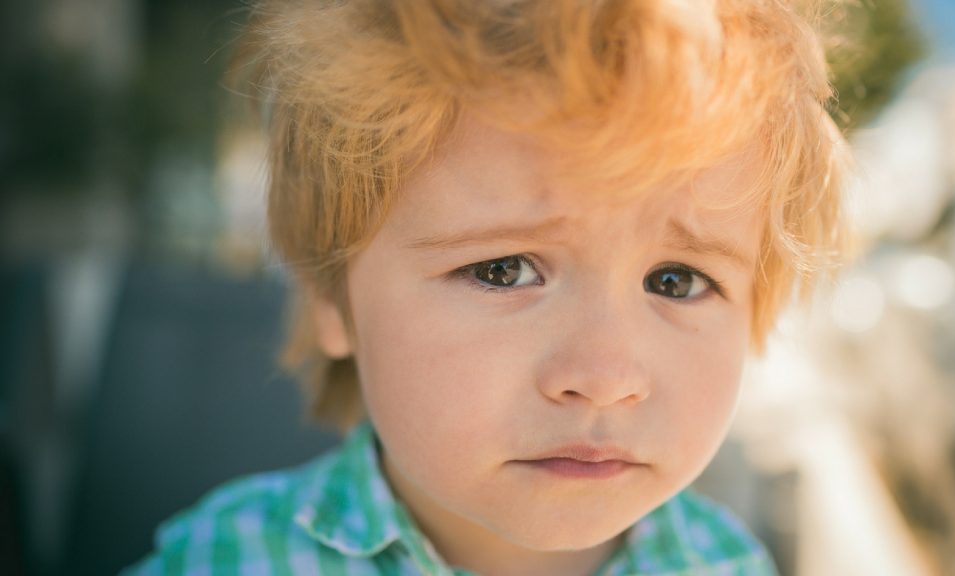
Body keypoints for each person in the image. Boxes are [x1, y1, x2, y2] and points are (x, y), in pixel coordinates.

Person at [126, 0, 847, 574]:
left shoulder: (728, 564)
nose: (603, 376)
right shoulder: (224, 559)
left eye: (676, 280)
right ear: (328, 293)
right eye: (504, 271)